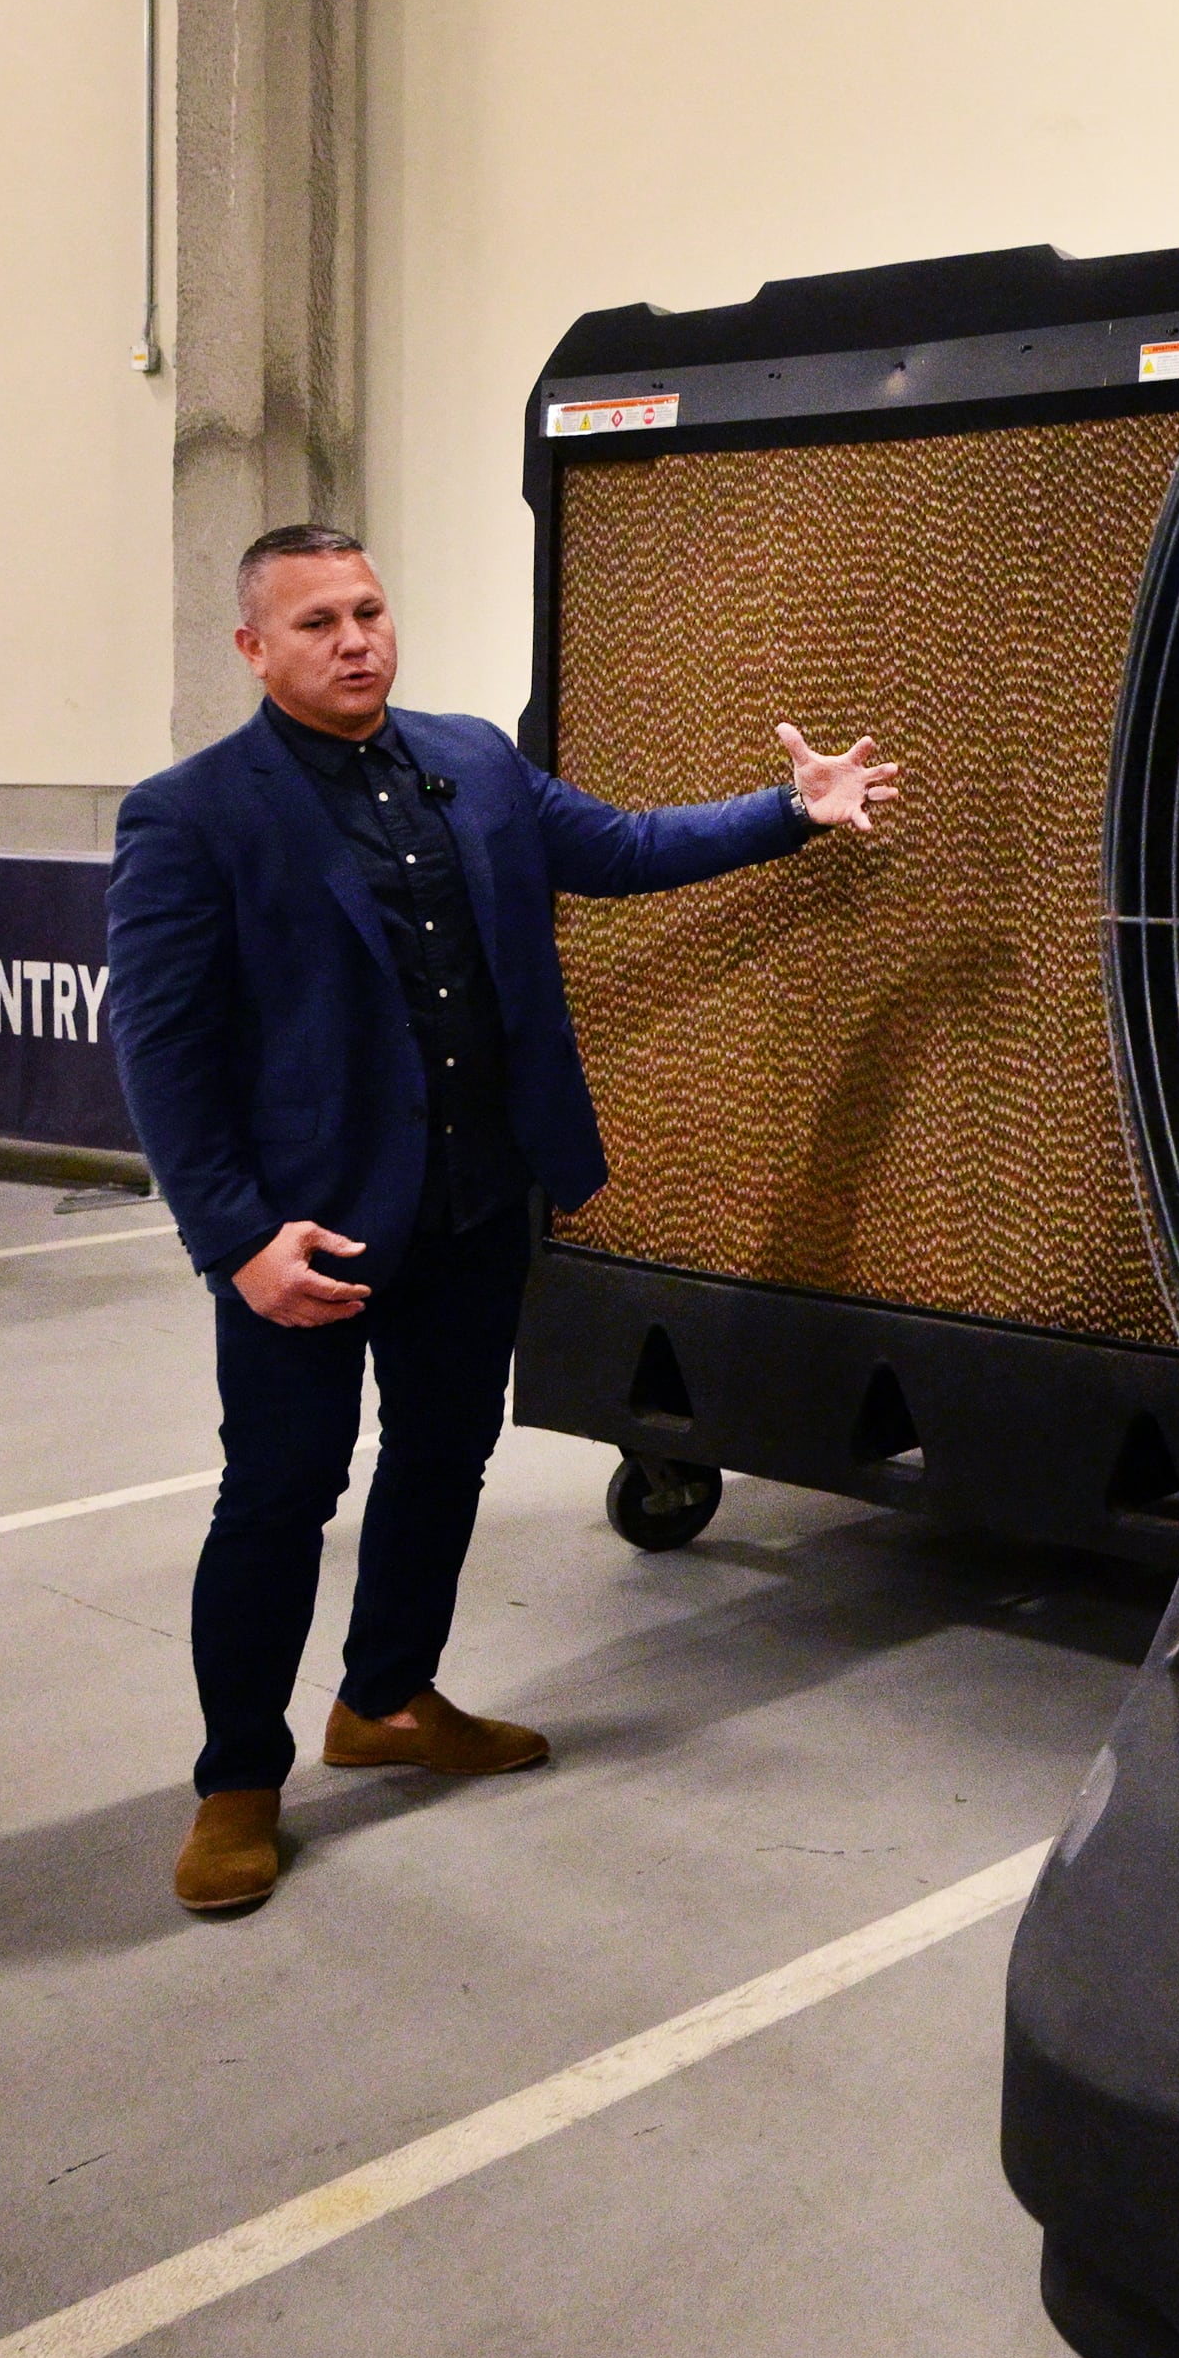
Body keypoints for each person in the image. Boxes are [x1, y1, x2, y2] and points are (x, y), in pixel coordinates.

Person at [108, 522, 900, 1914]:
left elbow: (624, 847)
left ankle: (391, 1697)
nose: (355, 638)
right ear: (252, 648)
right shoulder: (190, 816)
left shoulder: (468, 757)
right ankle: (239, 1778)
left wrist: (787, 811)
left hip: (474, 1207)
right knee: (281, 1494)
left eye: (367, 609)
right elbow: (163, 1056)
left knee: (441, 1458)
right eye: (315, 624)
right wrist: (237, 1242)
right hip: (310, 1234)